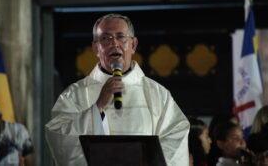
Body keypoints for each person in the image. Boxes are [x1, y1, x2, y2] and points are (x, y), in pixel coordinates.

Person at [45, 13, 190, 166]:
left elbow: (176, 134)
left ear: (133, 45)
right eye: (105, 38)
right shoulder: (74, 94)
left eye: (121, 36)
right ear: (96, 48)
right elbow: (58, 135)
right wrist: (97, 109)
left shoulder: (157, 94)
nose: (114, 43)